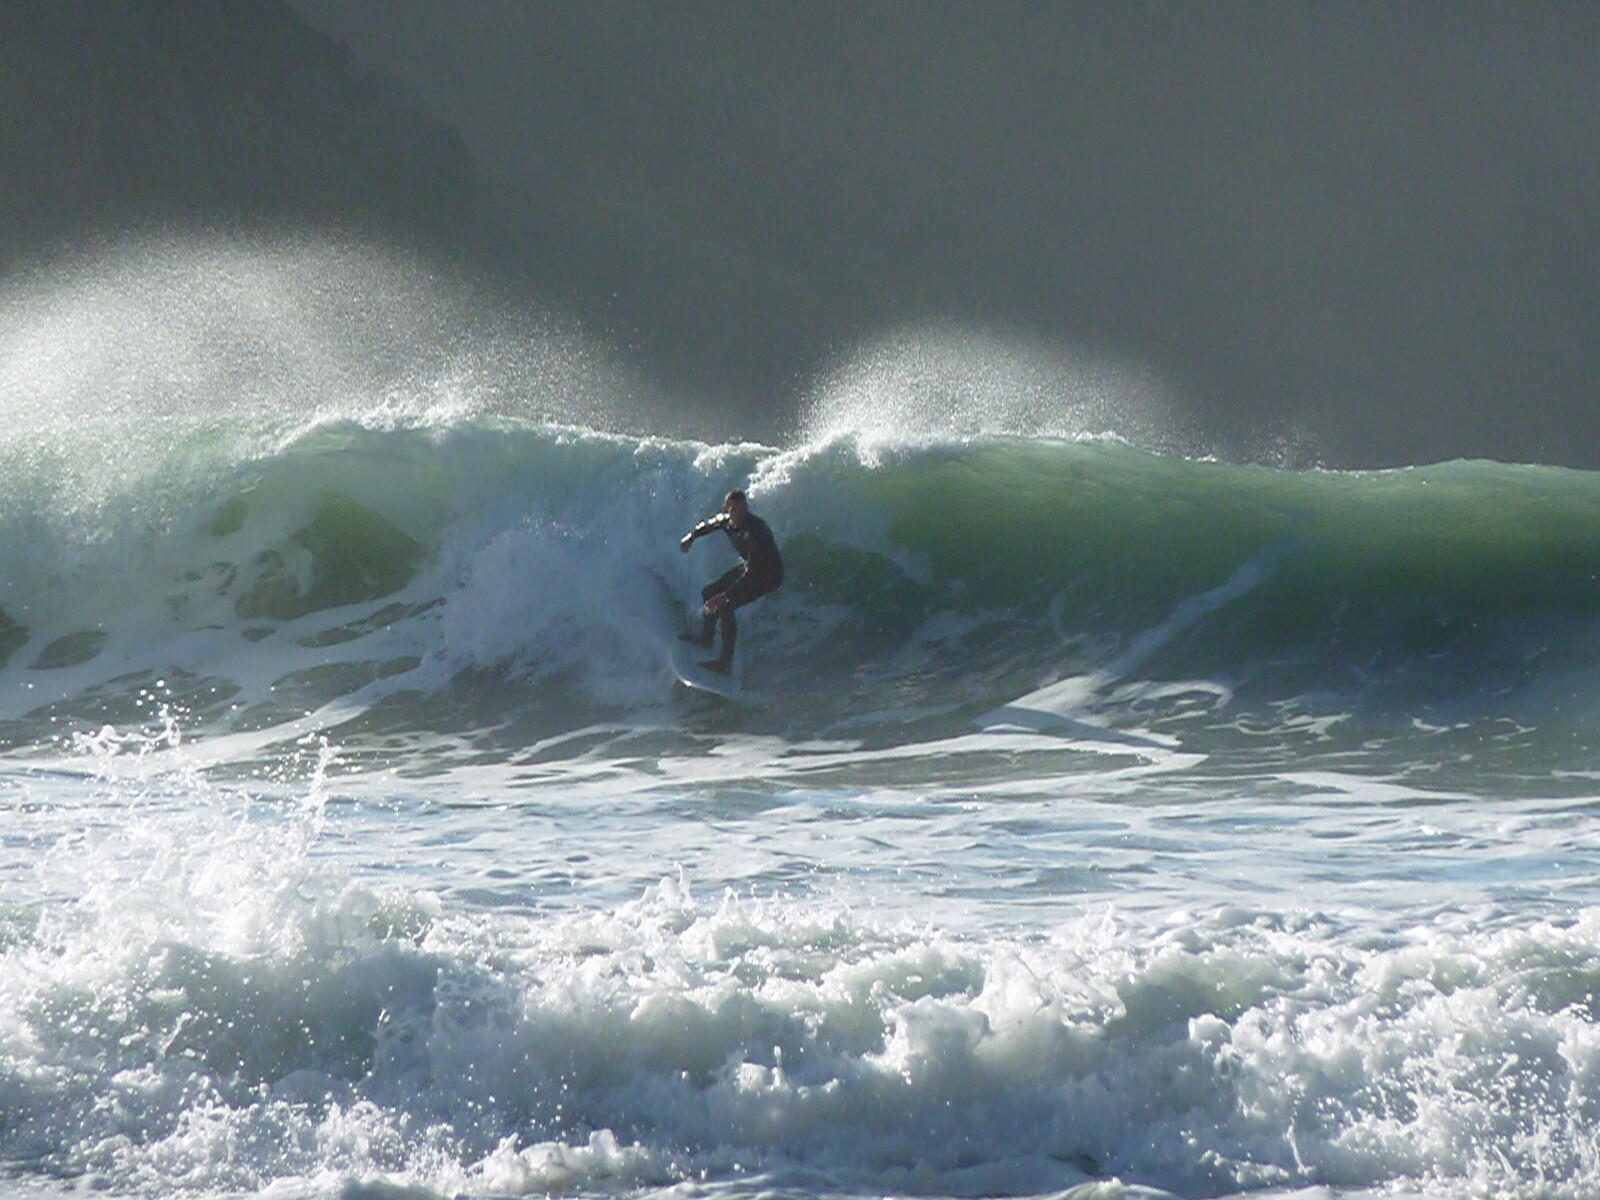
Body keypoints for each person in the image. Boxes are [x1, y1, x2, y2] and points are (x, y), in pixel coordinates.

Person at [678, 489, 783, 674]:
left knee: (725, 604)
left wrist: (724, 596)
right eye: (735, 510)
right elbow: (710, 524)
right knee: (708, 593)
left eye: (743, 509)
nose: (740, 513)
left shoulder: (756, 531)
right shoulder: (727, 522)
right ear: (727, 510)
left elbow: (751, 577)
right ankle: (706, 639)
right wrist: (692, 536)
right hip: (750, 568)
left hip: (768, 576)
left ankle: (725, 664)